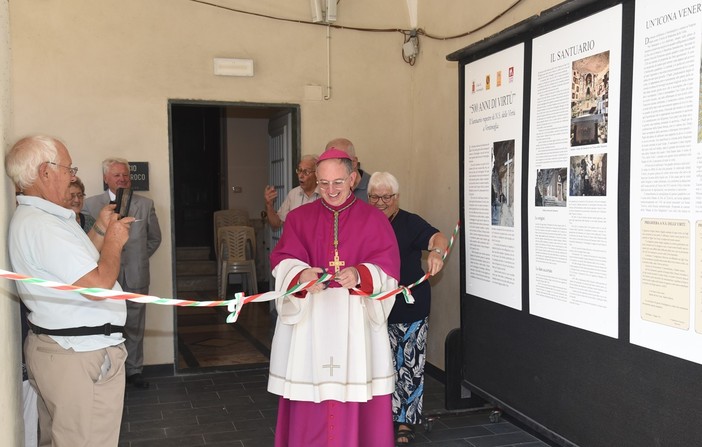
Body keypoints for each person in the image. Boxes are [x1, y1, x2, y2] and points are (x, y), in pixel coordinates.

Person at [5, 135, 133, 446]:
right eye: (68, 168)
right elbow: (97, 285)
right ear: (44, 172)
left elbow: (75, 272)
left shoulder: (47, 217)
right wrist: (115, 241)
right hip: (78, 355)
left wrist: (101, 230)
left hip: (69, 352)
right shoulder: (43, 225)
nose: (73, 175)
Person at [268, 149, 400, 446]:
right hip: (311, 321)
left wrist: (362, 274)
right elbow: (282, 259)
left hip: (356, 321)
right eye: (324, 183)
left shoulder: (374, 219)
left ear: (353, 178)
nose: (330, 190)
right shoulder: (299, 218)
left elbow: (389, 267)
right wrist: (301, 276)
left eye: (338, 183)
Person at [367, 171, 449, 446]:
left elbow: (437, 237)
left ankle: (405, 422)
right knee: (380, 364)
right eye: (374, 196)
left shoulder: (409, 222)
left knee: (409, 365)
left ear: (396, 197)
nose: (380, 202)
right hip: (375, 305)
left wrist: (437, 253)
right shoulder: (363, 222)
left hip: (409, 306)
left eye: (386, 197)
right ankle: (380, 416)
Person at [84, 157, 162, 389]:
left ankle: (134, 370)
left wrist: (137, 259)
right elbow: (87, 242)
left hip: (136, 275)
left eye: (125, 175)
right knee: (107, 323)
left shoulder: (145, 204)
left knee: (135, 324)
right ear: (106, 178)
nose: (122, 179)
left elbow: (155, 238)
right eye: (117, 175)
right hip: (104, 276)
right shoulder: (90, 204)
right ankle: (110, 372)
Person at [263, 154, 319, 229]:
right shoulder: (293, 194)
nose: (300, 176)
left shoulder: (325, 194)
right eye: (299, 170)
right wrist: (269, 205)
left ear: (317, 174)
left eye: (306, 172)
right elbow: (276, 223)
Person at [324, 137, 371, 202]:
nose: (332, 167)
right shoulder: (324, 189)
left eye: (339, 161)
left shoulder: (374, 187)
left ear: (354, 162)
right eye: (329, 162)